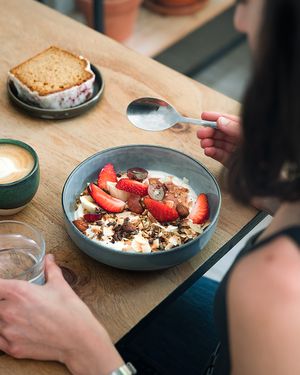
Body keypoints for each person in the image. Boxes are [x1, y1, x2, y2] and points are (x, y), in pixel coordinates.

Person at [1, 0, 300, 373]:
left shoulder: (277, 286)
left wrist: (83, 347)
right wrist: (280, 191)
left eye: (248, 3)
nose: (238, 19)